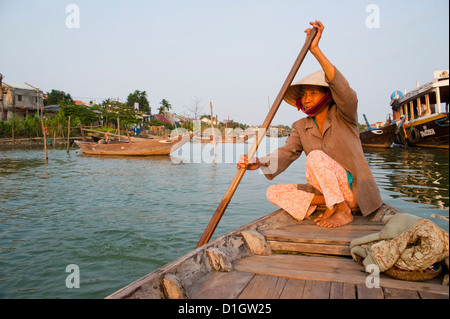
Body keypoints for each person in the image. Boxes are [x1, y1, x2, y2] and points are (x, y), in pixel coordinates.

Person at [237, 20, 382, 228]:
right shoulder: (300, 126)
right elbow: (287, 152)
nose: (306, 99)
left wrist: (315, 50)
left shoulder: (345, 116)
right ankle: (331, 203)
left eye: (313, 93)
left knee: (314, 156)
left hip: (354, 192)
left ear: (328, 96)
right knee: (273, 192)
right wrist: (259, 162)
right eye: (304, 94)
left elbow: (345, 93)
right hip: (327, 193)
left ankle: (343, 210)